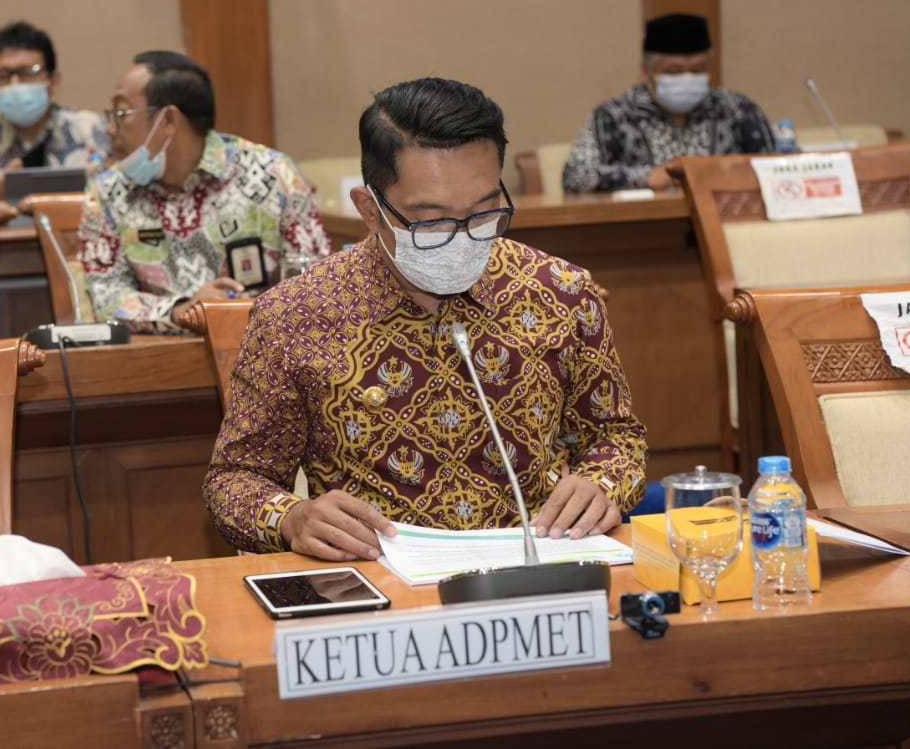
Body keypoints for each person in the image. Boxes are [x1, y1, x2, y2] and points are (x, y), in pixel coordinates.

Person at [204, 77, 647, 560]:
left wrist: (602, 483)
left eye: (483, 212)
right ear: (370, 209)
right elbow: (234, 481)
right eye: (431, 220)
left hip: (538, 566)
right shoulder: (294, 316)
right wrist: (291, 518)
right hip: (380, 578)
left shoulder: (560, 291)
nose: (462, 237)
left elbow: (616, 438)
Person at [78, 50, 330, 332]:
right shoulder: (107, 192)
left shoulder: (274, 175)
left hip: (265, 346)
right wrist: (180, 311)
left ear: (169, 121)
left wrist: (237, 313)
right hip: (160, 353)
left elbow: (317, 282)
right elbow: (105, 294)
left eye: (121, 113)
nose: (110, 129)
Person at [562, 13, 775, 193]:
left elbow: (776, 169)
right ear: (647, 71)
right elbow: (574, 176)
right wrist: (646, 177)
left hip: (727, 221)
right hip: (644, 225)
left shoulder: (737, 110)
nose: (687, 78)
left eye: (698, 70)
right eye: (674, 71)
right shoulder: (614, 116)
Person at [0, 21, 108, 205]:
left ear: (54, 81)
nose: (15, 84)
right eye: (3, 75)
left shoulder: (95, 131)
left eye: (28, 73)